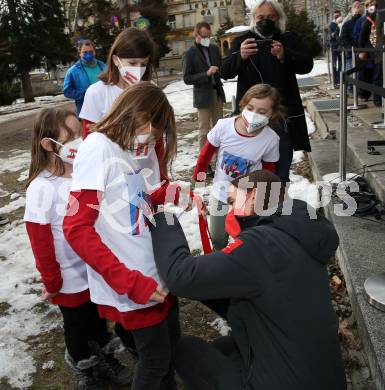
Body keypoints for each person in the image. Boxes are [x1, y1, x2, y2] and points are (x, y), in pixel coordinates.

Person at [150, 169, 347, 390]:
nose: (231, 210)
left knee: (187, 350)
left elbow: (181, 276)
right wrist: (210, 286)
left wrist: (163, 218)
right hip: (320, 375)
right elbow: (261, 299)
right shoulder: (297, 232)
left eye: (233, 201)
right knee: (223, 347)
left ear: (253, 195)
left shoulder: (261, 244)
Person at [63, 83, 181, 390]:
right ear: (139, 116)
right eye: (154, 131)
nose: (152, 141)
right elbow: (76, 228)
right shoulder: (98, 147)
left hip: (151, 272)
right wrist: (129, 281)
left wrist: (161, 195)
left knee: (168, 353)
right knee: (155, 362)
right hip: (135, 283)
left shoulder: (123, 149)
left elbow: (123, 205)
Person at [24, 108, 131, 389]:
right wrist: (52, 281)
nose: (79, 141)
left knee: (97, 317)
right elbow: (40, 240)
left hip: (96, 268)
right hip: (68, 278)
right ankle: (83, 363)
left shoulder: (86, 174)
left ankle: (106, 357)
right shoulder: (41, 188)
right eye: (69, 136)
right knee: (76, 324)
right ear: (49, 145)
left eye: (79, 133)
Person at [221, 0, 313, 177]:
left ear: (278, 18)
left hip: (281, 116)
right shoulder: (243, 41)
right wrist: (240, 56)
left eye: (270, 17)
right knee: (252, 170)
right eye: (261, 17)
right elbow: (224, 71)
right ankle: (254, 202)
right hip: (252, 116)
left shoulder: (289, 39)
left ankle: (278, 200)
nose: (265, 21)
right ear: (253, 18)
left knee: (280, 169)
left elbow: (306, 65)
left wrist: (285, 54)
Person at [193, 84, 280, 250]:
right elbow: (206, 155)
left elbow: (269, 171)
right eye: (250, 108)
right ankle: (221, 262)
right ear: (242, 105)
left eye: (262, 112)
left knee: (245, 238)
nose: (254, 115)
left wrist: (265, 197)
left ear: (272, 113)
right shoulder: (223, 126)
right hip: (221, 193)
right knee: (218, 237)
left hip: (246, 198)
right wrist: (199, 177)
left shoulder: (270, 139)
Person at [80, 28, 156, 140]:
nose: (138, 69)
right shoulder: (96, 92)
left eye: (143, 64)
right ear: (116, 60)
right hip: (111, 157)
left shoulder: (150, 90)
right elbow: (89, 138)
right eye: (132, 63)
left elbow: (158, 137)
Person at [183, 21, 226, 175]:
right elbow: (187, 78)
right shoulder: (190, 53)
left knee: (219, 130)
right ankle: (205, 164)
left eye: (209, 36)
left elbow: (221, 67)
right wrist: (206, 74)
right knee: (204, 130)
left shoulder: (214, 49)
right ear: (196, 35)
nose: (208, 38)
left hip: (217, 93)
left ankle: (221, 162)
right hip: (202, 96)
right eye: (204, 36)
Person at [63, 39, 106, 116]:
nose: (88, 54)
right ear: (80, 53)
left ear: (94, 52)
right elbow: (67, 91)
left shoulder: (103, 66)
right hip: (86, 111)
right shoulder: (73, 71)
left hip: (105, 109)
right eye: (85, 52)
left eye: (90, 52)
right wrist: (85, 94)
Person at [359, 0, 382, 106]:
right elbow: (362, 35)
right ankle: (377, 100)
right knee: (378, 76)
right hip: (376, 51)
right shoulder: (371, 16)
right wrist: (362, 50)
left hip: (379, 50)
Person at [339, 0, 364, 92]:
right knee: (353, 74)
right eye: (355, 7)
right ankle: (351, 91)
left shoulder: (366, 20)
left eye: (359, 6)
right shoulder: (347, 23)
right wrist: (351, 48)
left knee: (362, 75)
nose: (357, 8)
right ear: (351, 10)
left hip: (365, 53)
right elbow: (343, 39)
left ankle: (361, 92)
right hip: (352, 54)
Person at [329, 10, 342, 85]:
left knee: (341, 63)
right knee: (334, 64)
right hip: (334, 46)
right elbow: (333, 35)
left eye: (338, 16)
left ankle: (339, 78)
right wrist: (337, 26)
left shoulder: (342, 23)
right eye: (335, 16)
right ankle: (335, 80)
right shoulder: (332, 24)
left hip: (340, 46)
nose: (337, 17)